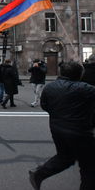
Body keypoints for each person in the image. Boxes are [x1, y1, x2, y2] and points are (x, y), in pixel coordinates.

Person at [29, 61, 95, 190]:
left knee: (65, 157)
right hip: (80, 132)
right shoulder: (86, 89)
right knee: (89, 166)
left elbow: (45, 106)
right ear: (80, 74)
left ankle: (38, 174)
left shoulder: (50, 87)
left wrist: (59, 115)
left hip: (57, 129)